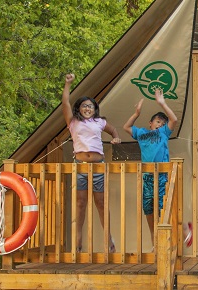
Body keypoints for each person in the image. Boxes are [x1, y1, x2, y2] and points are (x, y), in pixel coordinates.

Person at [62, 73, 121, 253]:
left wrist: (116, 138)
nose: (87, 108)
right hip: (80, 166)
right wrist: (68, 84)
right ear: (78, 109)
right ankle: (78, 241)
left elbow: (113, 131)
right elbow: (64, 103)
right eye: (84, 106)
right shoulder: (73, 122)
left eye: (91, 106)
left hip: (98, 166)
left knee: (101, 202)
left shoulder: (100, 122)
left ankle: (108, 238)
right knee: (80, 203)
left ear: (95, 109)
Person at [122, 88, 178, 245]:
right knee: (148, 208)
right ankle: (154, 240)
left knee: (162, 207)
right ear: (151, 123)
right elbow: (126, 127)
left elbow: (174, 120)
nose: (161, 124)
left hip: (161, 175)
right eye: (158, 122)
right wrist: (136, 114)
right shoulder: (142, 133)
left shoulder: (164, 133)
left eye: (163, 123)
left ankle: (165, 240)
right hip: (147, 176)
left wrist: (162, 103)